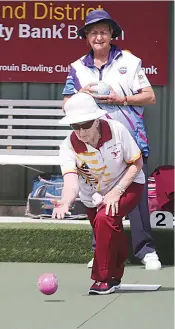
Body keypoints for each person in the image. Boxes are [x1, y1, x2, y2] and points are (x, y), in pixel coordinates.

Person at [62, 9, 161, 270]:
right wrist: (80, 95)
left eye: (103, 31)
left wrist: (122, 99)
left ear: (112, 34)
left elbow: (150, 96)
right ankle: (101, 251)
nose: (98, 36)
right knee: (97, 199)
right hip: (94, 144)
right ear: (86, 37)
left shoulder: (131, 62)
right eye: (93, 32)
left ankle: (146, 251)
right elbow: (65, 105)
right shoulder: (76, 68)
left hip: (129, 139)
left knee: (137, 198)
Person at [52, 92, 145, 295]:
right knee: (109, 228)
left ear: (96, 120)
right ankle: (115, 275)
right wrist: (66, 202)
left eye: (85, 124)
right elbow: (71, 181)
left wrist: (117, 191)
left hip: (128, 183)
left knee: (105, 219)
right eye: (75, 126)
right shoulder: (68, 147)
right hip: (92, 195)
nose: (81, 131)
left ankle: (102, 280)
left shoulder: (117, 130)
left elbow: (137, 163)